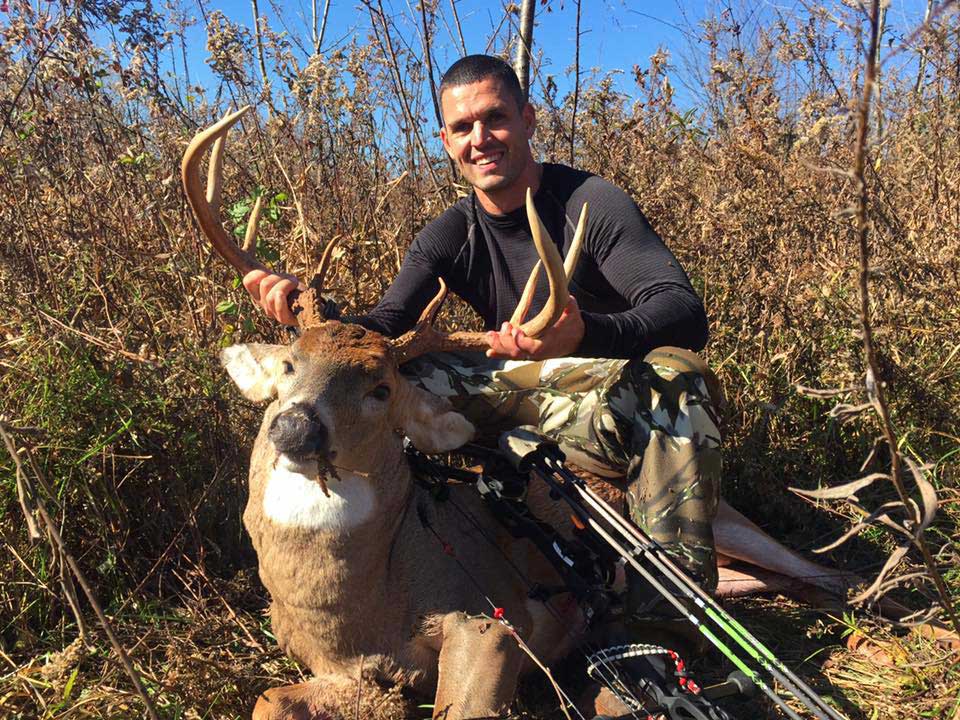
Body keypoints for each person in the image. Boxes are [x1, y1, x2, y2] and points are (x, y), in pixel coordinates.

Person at [243, 54, 721, 636]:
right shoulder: (452, 232)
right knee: (394, 379)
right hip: (510, 388)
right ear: (445, 141)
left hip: (603, 399)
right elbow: (383, 332)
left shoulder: (590, 204)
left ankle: (667, 620)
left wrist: (587, 333)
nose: (481, 139)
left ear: (527, 119)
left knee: (676, 378)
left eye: (495, 118)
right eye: (463, 128)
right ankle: (392, 569)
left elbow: (682, 311)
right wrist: (304, 313)